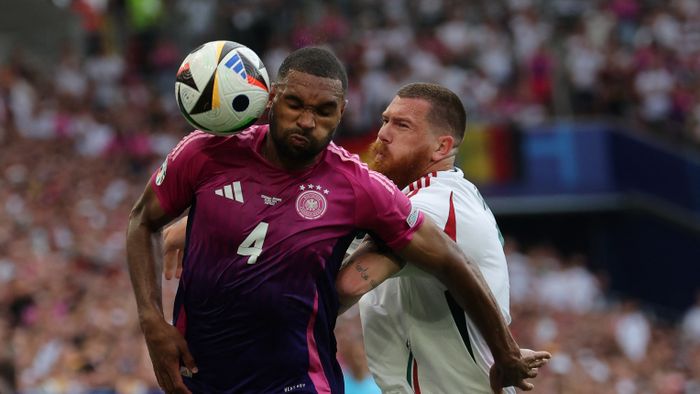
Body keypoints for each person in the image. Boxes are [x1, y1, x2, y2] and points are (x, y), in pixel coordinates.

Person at [128, 46, 543, 394]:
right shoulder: (204, 153)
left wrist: (504, 350)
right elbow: (143, 220)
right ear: (271, 97)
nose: (307, 121)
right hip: (203, 375)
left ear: (341, 112)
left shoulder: (378, 192)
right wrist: (152, 320)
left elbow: (439, 261)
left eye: (325, 110)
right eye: (294, 104)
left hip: (301, 380)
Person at [335, 82, 536, 393]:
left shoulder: (431, 208)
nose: (383, 134)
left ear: (442, 147)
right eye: (385, 120)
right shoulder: (444, 196)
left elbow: (344, 288)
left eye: (402, 125)